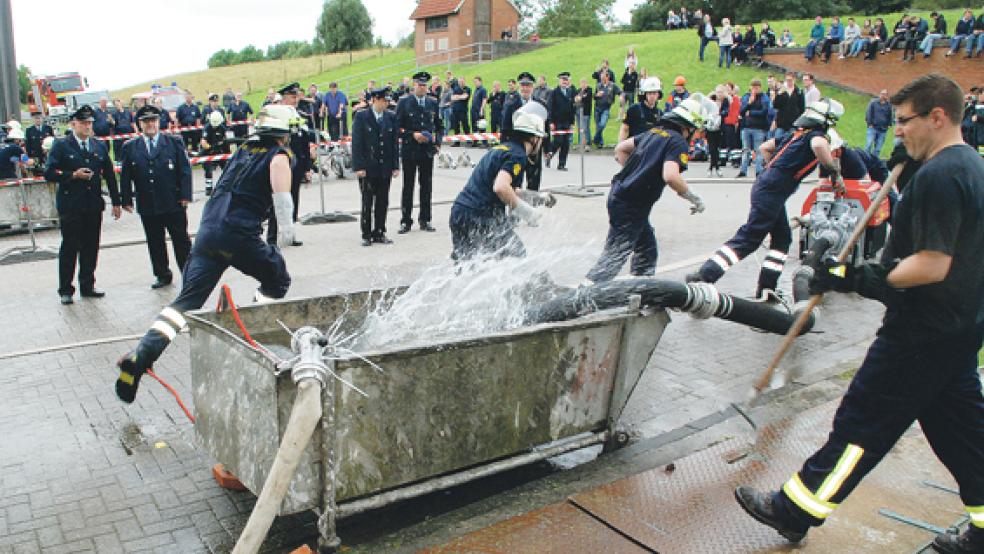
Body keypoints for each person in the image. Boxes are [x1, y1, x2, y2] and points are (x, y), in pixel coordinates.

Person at [735, 73, 984, 554]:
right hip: (957, 329)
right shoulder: (969, 165)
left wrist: (862, 277)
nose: (899, 133)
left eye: (906, 123)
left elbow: (933, 264)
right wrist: (912, 172)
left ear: (937, 117)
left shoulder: (940, 177)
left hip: (919, 336)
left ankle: (796, 510)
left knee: (861, 426)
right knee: (966, 438)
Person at [114, 104, 299, 404]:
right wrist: (287, 238)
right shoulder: (278, 156)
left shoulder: (243, 150)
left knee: (184, 304)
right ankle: (250, 336)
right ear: (284, 131)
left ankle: (143, 353)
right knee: (278, 279)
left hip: (207, 233)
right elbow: (282, 201)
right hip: (239, 235)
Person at [687, 98, 843, 300]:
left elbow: (766, 147)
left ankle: (767, 288)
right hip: (771, 190)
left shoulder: (793, 136)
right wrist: (834, 172)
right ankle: (704, 276)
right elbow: (820, 146)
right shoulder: (816, 136)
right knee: (750, 237)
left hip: (769, 187)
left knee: (782, 238)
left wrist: (775, 170)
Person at [584, 96, 709, 284]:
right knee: (615, 255)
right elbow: (671, 176)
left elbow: (621, 148)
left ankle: (640, 288)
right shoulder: (677, 142)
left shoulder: (654, 132)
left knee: (646, 250)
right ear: (690, 126)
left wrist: (636, 171)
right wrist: (694, 197)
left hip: (620, 195)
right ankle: (583, 296)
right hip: (632, 204)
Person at [449, 110, 554, 261]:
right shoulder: (518, 155)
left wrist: (537, 197)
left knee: (467, 266)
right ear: (534, 138)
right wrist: (527, 212)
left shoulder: (502, 149)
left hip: (461, 211)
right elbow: (501, 187)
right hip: (483, 216)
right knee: (517, 258)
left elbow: (510, 190)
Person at [44, 106, 122, 305]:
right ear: (73, 124)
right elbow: (49, 172)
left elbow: (110, 175)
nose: (88, 127)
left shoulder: (98, 146)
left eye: (90, 123)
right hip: (71, 205)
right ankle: (66, 289)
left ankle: (87, 285)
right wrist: (72, 175)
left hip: (93, 205)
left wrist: (116, 201)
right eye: (84, 123)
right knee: (70, 246)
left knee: (91, 246)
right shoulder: (62, 145)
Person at [119, 105, 193, 289]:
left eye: (153, 120)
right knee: (155, 241)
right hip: (148, 203)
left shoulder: (173, 142)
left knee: (181, 240)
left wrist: (185, 195)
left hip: (172, 201)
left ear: (159, 122)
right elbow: (126, 175)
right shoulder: (130, 147)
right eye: (146, 122)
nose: (150, 124)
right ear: (140, 125)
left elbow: (185, 170)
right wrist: (126, 199)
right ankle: (162, 274)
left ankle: (189, 274)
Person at [395, 71, 443, 233]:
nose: (422, 88)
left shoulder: (432, 103)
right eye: (419, 85)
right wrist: (412, 135)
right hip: (410, 149)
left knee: (426, 186)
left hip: (426, 151)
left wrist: (437, 143)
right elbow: (397, 127)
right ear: (414, 85)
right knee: (408, 186)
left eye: (424, 85)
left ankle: (425, 219)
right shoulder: (404, 103)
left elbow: (439, 126)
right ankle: (406, 221)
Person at [352, 88, 400, 247]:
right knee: (367, 201)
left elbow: (394, 143)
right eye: (384, 100)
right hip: (368, 166)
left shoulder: (391, 117)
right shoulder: (361, 116)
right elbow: (357, 143)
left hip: (384, 166)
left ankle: (380, 231)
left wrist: (395, 165)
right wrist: (358, 166)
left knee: (383, 201)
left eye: (388, 101)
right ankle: (366, 233)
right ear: (375, 100)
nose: (387, 103)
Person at [269, 83, 311, 246]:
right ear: (284, 98)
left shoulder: (299, 115)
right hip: (281, 164)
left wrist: (307, 166)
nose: (296, 100)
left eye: (296, 97)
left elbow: (304, 143)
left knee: (293, 198)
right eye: (292, 97)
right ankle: (272, 237)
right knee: (278, 199)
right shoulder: (277, 116)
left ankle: (290, 234)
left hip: (297, 164)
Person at [503, 72, 549, 188]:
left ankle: (532, 205)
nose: (525, 88)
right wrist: (504, 149)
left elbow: (545, 126)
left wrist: (547, 148)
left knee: (534, 181)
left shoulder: (540, 104)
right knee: (515, 182)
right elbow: (505, 128)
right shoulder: (511, 104)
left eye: (528, 85)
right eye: (523, 85)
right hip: (517, 148)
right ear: (519, 87)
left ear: (532, 87)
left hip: (534, 149)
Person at [738, 79, 772, 178]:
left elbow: (764, 112)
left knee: (758, 150)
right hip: (746, 127)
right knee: (745, 149)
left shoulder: (764, 98)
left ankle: (758, 170)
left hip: (759, 127)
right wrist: (749, 103)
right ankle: (743, 170)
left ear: (760, 88)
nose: (755, 90)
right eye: (753, 88)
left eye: (757, 88)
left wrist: (751, 113)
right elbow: (742, 111)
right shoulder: (746, 96)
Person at [620, 77, 662, 142]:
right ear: (645, 94)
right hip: (634, 147)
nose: (652, 96)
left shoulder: (660, 113)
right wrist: (621, 144)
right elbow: (625, 129)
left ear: (659, 95)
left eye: (655, 93)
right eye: (649, 93)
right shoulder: (634, 109)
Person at [548, 72, 576, 171]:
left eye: (566, 79)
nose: (564, 81)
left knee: (565, 144)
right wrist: (551, 122)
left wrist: (572, 122)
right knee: (558, 141)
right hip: (557, 121)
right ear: (559, 81)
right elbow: (550, 107)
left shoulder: (571, 92)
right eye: (563, 79)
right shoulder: (554, 92)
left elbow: (573, 108)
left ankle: (561, 164)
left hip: (567, 121)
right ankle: (549, 154)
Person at [201, 111, 231, 195]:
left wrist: (227, 152)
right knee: (208, 170)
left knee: (226, 168)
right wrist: (211, 148)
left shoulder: (222, 127)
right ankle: (209, 188)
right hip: (208, 152)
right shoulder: (207, 128)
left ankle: (226, 186)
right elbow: (203, 142)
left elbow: (225, 140)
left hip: (220, 152)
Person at [772, 72, 805, 142]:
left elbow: (802, 108)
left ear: (794, 80)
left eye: (790, 80)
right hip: (781, 123)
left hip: (793, 124)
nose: (788, 82)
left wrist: (800, 124)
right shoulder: (782, 91)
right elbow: (775, 105)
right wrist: (779, 94)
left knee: (790, 143)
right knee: (777, 142)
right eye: (787, 80)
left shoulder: (798, 92)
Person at [865, 89, 893, 156]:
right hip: (873, 128)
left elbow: (890, 115)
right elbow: (868, 113)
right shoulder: (873, 103)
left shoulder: (888, 105)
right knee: (868, 144)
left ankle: (874, 161)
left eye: (885, 94)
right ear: (879, 94)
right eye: (882, 94)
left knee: (878, 148)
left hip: (883, 130)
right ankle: (865, 158)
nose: (883, 96)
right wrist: (869, 123)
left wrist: (889, 124)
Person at [706, 87, 726, 177]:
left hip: (720, 128)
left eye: (721, 92)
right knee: (712, 148)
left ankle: (712, 167)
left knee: (717, 148)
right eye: (718, 92)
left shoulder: (725, 102)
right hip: (710, 128)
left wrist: (720, 114)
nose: (719, 94)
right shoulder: (711, 101)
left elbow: (727, 112)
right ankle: (715, 167)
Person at [574, 78, 594, 149]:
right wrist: (579, 98)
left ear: (587, 83)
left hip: (585, 112)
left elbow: (587, 98)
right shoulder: (578, 90)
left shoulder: (589, 90)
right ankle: (580, 143)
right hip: (578, 111)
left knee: (585, 128)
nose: (583, 85)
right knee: (579, 128)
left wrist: (580, 98)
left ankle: (588, 143)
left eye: (584, 83)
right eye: (581, 83)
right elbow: (575, 98)